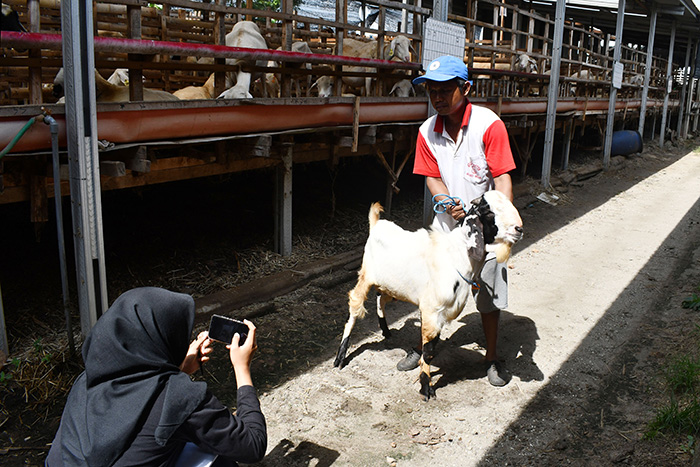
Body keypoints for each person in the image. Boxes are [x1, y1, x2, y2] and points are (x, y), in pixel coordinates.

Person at [398, 55, 517, 387]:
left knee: (489, 293)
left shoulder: (487, 124)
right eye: (431, 91)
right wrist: (443, 199)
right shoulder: (426, 131)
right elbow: (431, 177)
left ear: (465, 88)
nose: (437, 97)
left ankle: (492, 358)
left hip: (486, 229)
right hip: (448, 228)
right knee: (434, 290)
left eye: (445, 90)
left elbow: (503, 176)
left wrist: (499, 215)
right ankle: (426, 347)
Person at [46, 287, 267, 466]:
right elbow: (253, 446)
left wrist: (177, 368)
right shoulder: (178, 397)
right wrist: (242, 367)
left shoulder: (88, 380)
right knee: (221, 460)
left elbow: (137, 404)